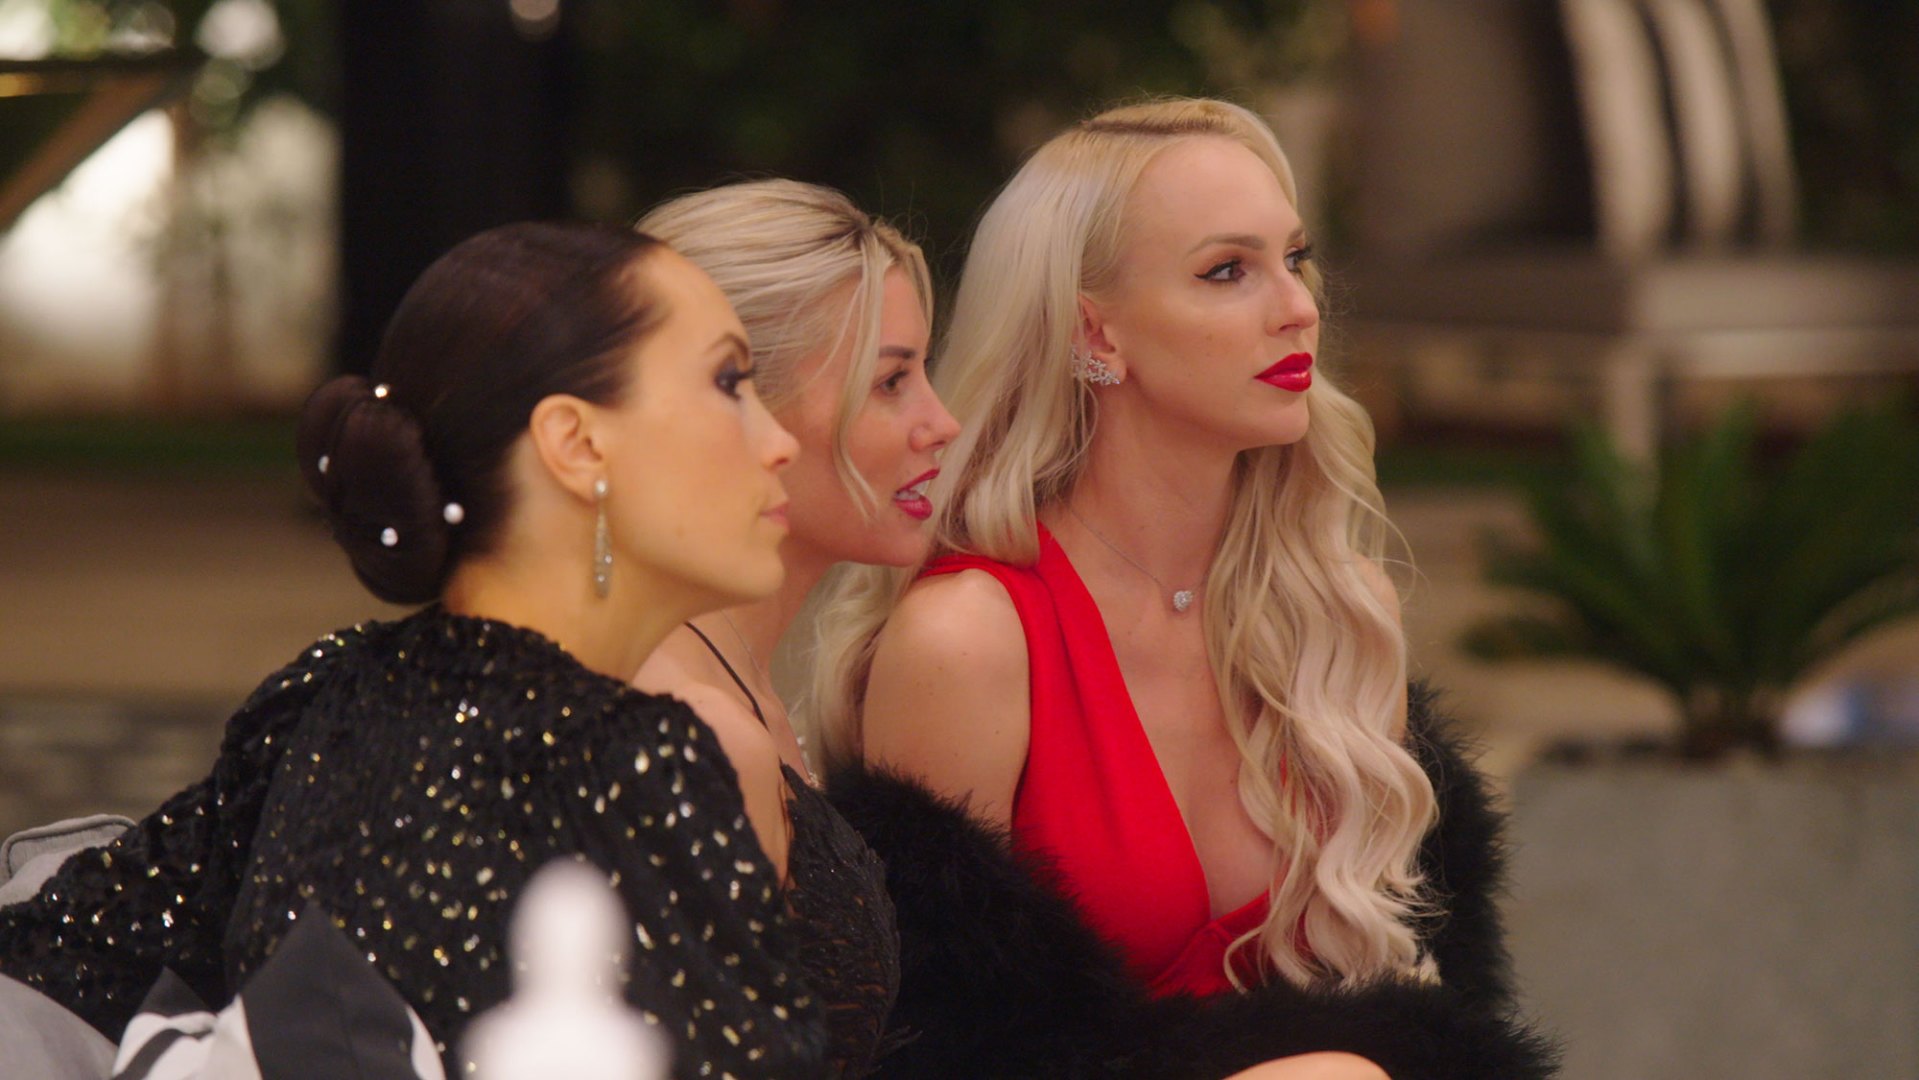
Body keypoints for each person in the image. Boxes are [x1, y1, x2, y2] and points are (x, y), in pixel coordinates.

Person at [813, 98, 1557, 1078]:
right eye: (1226, 272)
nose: (1296, 307)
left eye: (1295, 259)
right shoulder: (971, 639)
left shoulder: (1333, 609)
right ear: (1095, 333)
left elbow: (1422, 986)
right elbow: (940, 1048)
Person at [0, 222, 830, 1079]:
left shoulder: (334, 690)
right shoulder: (635, 765)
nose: (779, 441)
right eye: (729, 382)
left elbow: (66, 948)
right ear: (576, 444)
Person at [628, 178, 953, 1079]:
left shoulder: (734, 678)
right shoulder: (678, 720)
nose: (942, 423)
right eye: (891, 381)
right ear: (736, 403)